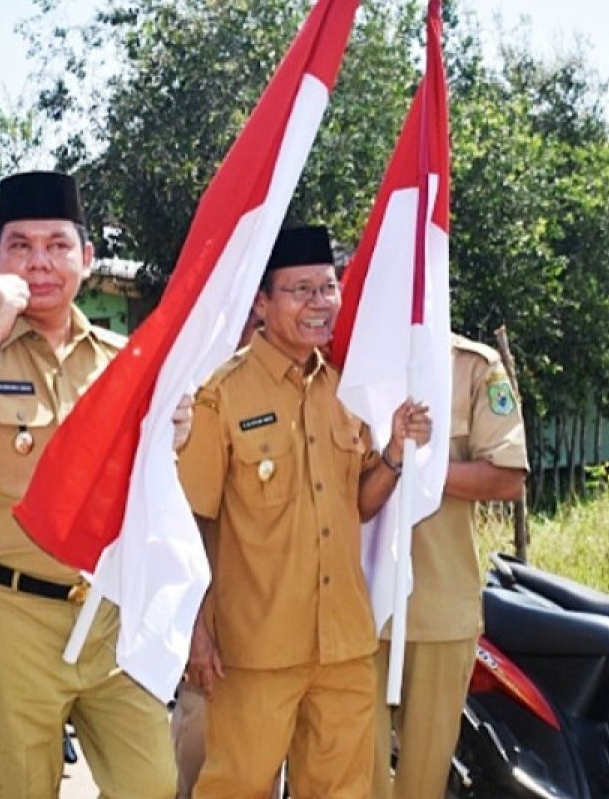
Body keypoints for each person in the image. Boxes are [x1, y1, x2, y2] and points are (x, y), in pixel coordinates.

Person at [0, 170, 181, 798]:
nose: (41, 263)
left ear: (87, 259)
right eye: (21, 246)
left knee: (152, 782)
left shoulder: (126, 361)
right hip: (9, 616)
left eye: (58, 245)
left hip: (109, 610)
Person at [178, 225, 432, 798]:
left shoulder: (345, 391)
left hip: (343, 645)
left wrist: (392, 453)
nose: (319, 304)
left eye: (328, 288)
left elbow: (360, 506)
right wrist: (194, 630)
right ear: (262, 303)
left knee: (341, 791)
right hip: (254, 649)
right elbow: (193, 519)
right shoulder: (221, 395)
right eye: (299, 290)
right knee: (237, 789)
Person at [371, 334, 528, 798]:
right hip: (356, 612)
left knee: (423, 783)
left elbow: (507, 476)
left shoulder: (474, 366)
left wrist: (417, 468)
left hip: (440, 611)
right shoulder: (348, 357)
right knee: (357, 780)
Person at [171, 308, 265, 799]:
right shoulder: (202, 396)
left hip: (279, 641)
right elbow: (183, 525)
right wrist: (194, 632)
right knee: (198, 771)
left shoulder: (318, 390)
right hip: (215, 633)